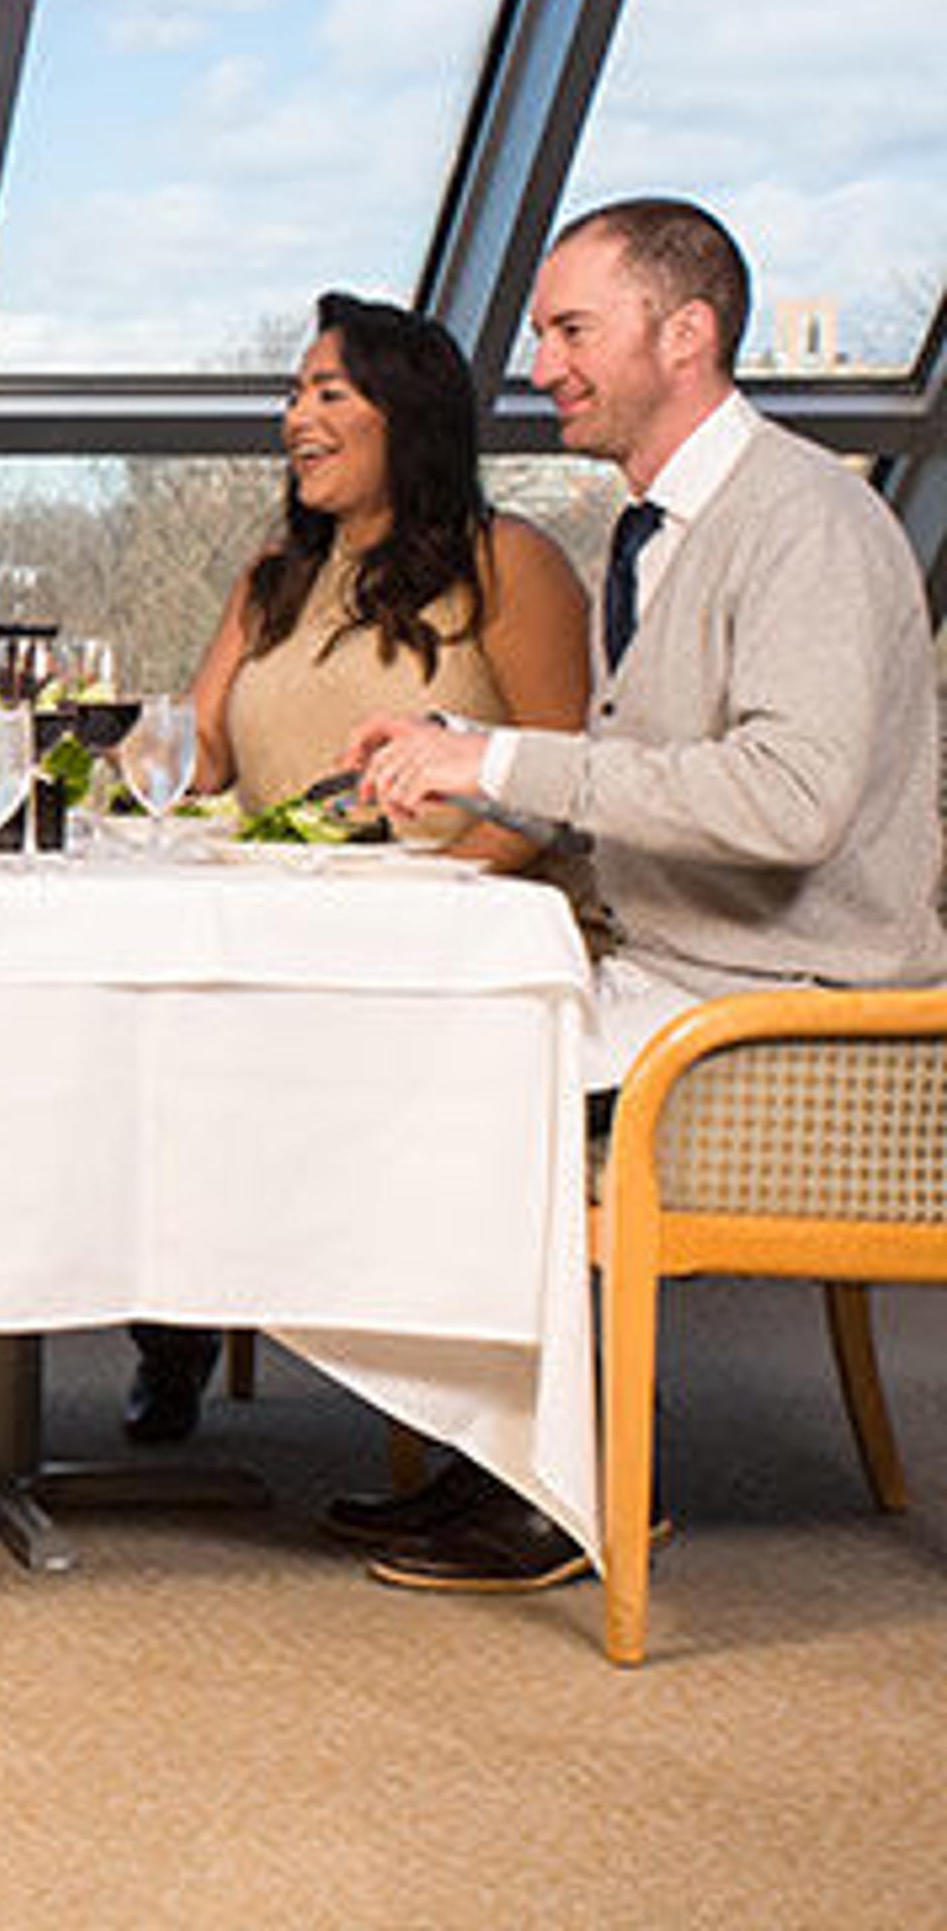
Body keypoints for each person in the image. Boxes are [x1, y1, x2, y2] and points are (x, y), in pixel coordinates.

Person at [340, 197, 946, 1592]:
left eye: (571, 329)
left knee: (445, 1081)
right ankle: (508, 1452)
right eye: (544, 331)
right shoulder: (669, 528)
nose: (543, 364)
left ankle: (570, 1484)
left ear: (688, 335)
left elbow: (790, 805)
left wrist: (500, 752)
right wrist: (473, 778)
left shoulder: (807, 525)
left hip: (785, 1015)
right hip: (679, 975)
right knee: (395, 1042)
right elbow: (664, 776)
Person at [125, 294, 589, 1442]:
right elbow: (202, 759)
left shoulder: (509, 562)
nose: (298, 417)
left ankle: (465, 1388)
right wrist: (103, 746)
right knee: (134, 1024)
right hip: (284, 932)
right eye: (294, 395)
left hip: (449, 941)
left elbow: (563, 778)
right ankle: (168, 1311)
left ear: (410, 416)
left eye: (330, 393)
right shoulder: (272, 578)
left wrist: (457, 894)